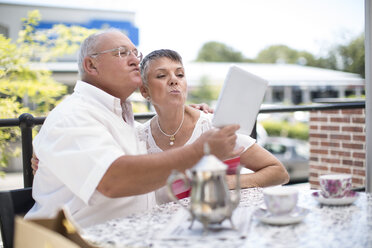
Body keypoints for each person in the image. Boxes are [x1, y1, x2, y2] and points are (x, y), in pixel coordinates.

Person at [25, 29, 242, 228]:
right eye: (121, 52)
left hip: (130, 234)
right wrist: (200, 151)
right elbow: (114, 179)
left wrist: (188, 113)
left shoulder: (120, 117)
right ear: (91, 66)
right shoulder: (72, 116)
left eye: (135, 53)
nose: (134, 60)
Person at [137, 49, 289, 204]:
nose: (174, 80)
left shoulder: (214, 128)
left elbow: (279, 172)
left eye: (180, 74)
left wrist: (228, 182)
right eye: (162, 75)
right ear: (144, 91)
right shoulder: (140, 137)